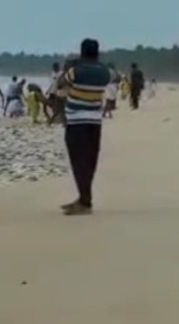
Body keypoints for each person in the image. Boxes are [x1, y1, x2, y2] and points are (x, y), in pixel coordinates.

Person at [60, 39, 112, 215]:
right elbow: (117, 76)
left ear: (82, 53)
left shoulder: (75, 71)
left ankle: (85, 202)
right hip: (95, 122)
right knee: (90, 162)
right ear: (97, 53)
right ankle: (84, 198)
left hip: (76, 122)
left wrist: (68, 65)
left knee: (78, 162)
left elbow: (61, 83)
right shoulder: (105, 72)